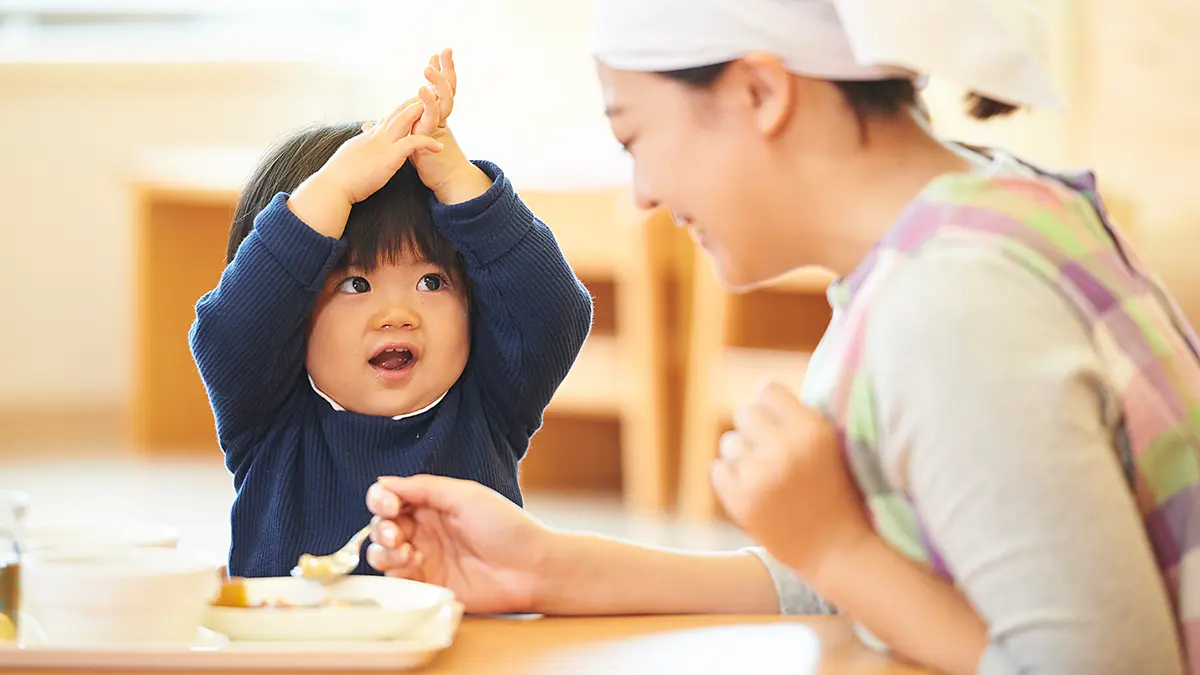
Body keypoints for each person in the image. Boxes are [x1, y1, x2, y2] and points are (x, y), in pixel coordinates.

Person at [363, 3, 1200, 675]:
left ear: (761, 92)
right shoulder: (988, 213)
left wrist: (837, 545)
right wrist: (546, 567)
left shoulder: (953, 303)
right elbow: (911, 584)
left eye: (634, 137)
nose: (641, 194)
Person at [189, 51, 593, 579]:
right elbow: (232, 331)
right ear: (291, 310)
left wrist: (458, 179)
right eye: (356, 284)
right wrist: (333, 188)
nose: (398, 315)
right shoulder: (270, 420)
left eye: (432, 282)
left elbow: (552, 311)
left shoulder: (489, 405)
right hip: (296, 635)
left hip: (466, 637)